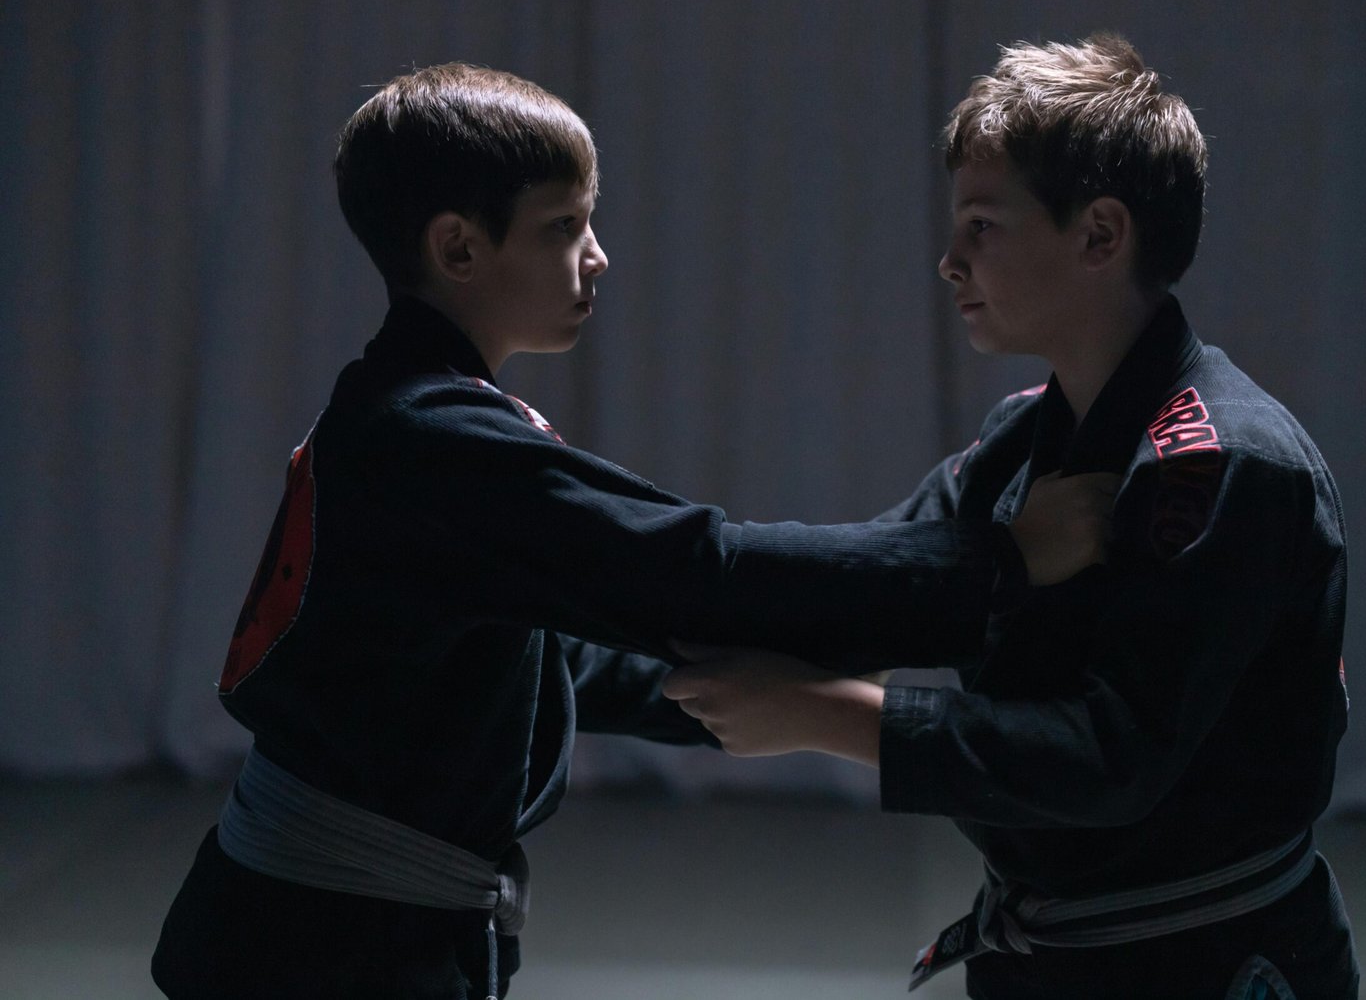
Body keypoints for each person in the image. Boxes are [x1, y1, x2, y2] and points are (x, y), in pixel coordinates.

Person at [149, 63, 1108, 1000]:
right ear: (459, 249)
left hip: (329, 928)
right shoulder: (433, 439)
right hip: (314, 950)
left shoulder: (422, 413)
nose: (598, 253)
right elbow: (698, 568)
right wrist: (999, 562)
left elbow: (551, 656)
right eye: (564, 226)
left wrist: (759, 694)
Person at [664, 35, 1359, 999]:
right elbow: (872, 589)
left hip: (1204, 963)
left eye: (984, 226)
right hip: (1050, 958)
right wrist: (594, 608)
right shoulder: (1020, 439)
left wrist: (830, 718)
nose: (949, 261)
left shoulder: (1221, 462)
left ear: (1100, 234)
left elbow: (1110, 757)